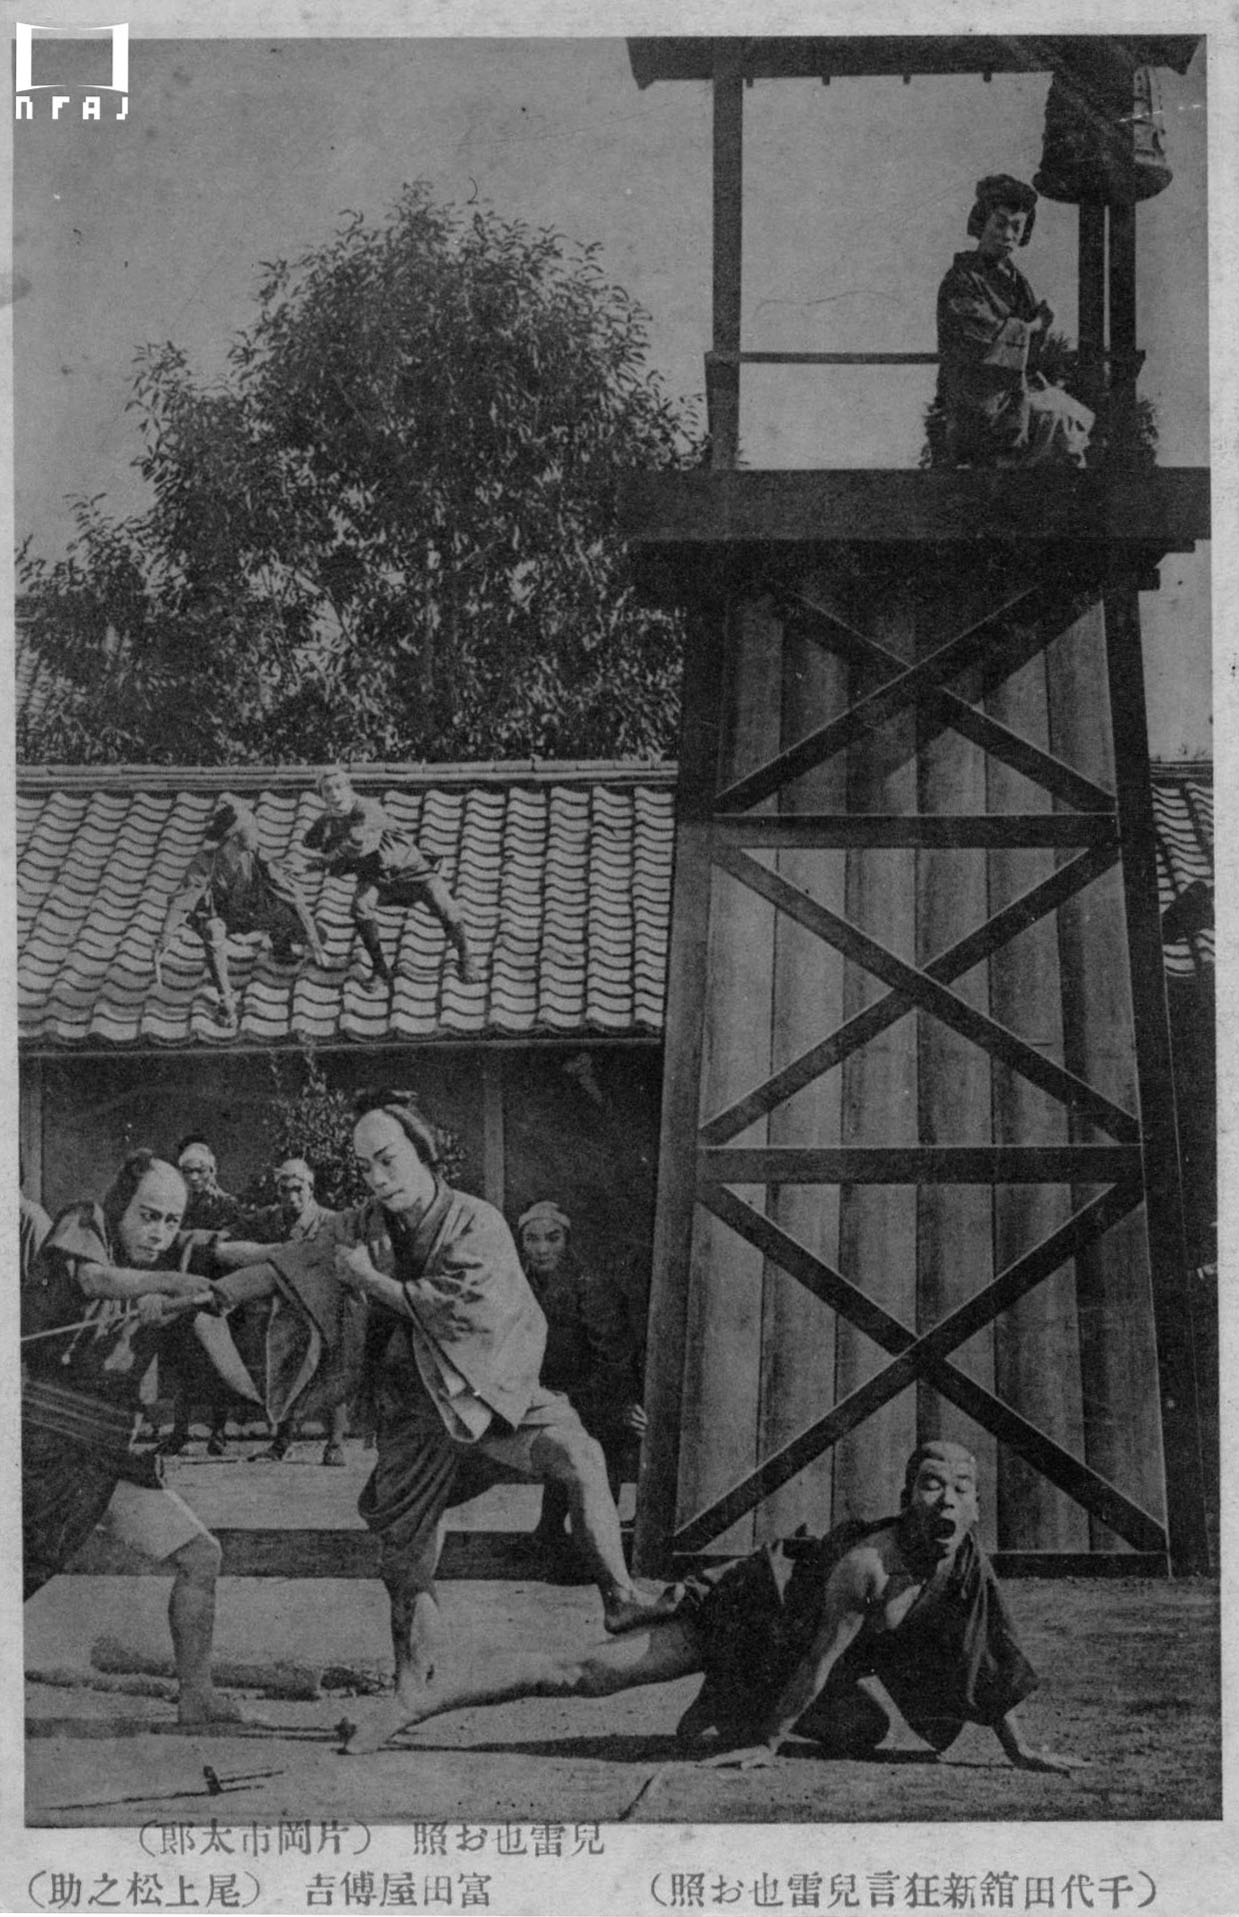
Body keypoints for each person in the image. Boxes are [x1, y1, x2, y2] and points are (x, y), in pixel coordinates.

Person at [210, 1090, 673, 1756]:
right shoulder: (362, 1224)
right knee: (405, 1564)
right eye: (365, 1166)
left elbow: (458, 1308)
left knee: (579, 1454)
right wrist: (215, 1293)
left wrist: (370, 1281)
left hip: (491, 1391)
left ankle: (620, 1595)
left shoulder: (478, 1221)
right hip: (413, 1408)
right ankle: (408, 1692)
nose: (377, 1177)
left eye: (388, 1159)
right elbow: (294, 1262)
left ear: (425, 1154)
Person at [340, 1439, 1082, 1772]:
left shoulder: (964, 1563)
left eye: (959, 1488)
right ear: (905, 1496)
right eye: (930, 1484)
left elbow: (983, 1653)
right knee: (582, 1674)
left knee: (863, 1729)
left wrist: (1018, 1748)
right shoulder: (867, 1566)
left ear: (975, 1507)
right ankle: (411, 1705)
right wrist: (769, 1744)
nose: (944, 1499)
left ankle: (731, 1703)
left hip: (791, 1660)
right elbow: (818, 1662)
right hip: (746, 1620)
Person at [21, 1151, 249, 1726]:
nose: (158, 1232)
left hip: (107, 1458)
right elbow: (95, 1279)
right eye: (148, 1216)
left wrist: (268, 1399)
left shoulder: (170, 1264)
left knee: (200, 1556)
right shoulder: (85, 1222)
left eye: (171, 1221)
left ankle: (197, 1697)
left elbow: (229, 1274)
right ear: (122, 1205)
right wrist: (170, 1283)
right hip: (41, 1451)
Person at [516, 1200, 646, 1573]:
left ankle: (595, 1550)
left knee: (594, 1441)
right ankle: (549, 1531)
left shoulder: (590, 1284)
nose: (542, 1249)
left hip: (603, 1386)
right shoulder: (519, 1280)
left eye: (552, 1238)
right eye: (532, 1239)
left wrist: (584, 1399)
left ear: (567, 1240)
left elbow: (614, 1355)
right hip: (550, 1387)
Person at [935, 174, 1094, 469]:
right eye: (999, 224)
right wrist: (1034, 326)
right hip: (979, 400)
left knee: (1074, 415)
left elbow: (1027, 354)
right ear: (981, 223)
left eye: (1017, 227)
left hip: (1015, 392)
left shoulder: (1017, 282)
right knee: (1058, 422)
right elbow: (981, 340)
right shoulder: (961, 279)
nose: (1008, 235)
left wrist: (1039, 328)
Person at [154, 792, 328, 1030]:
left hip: (248, 913)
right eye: (251, 829)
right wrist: (164, 937)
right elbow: (180, 901)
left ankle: (282, 946)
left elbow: (291, 893)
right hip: (219, 917)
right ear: (235, 837)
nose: (256, 833)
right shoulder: (205, 862)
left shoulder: (255, 855)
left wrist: (314, 940)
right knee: (213, 930)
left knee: (295, 917)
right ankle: (226, 1000)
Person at [298, 768, 480, 991]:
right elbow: (307, 842)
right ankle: (380, 970)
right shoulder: (330, 818)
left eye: (339, 787)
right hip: (376, 876)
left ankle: (466, 957)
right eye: (327, 790)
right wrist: (320, 833)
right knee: (360, 906)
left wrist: (318, 862)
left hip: (412, 870)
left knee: (446, 907)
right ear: (322, 795)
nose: (334, 794)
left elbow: (356, 844)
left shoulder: (366, 809)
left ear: (349, 788)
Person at [223, 1157, 348, 1466]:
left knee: (332, 1371)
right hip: (289, 1307)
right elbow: (233, 1233)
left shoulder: (331, 1221)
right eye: (284, 1190)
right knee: (287, 1369)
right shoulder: (272, 1219)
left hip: (327, 1307)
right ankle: (281, 1443)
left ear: (311, 1188)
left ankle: (335, 1444)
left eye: (298, 1189)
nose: (291, 1197)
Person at [154, 1136, 246, 1458]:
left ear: (212, 1171)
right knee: (183, 1368)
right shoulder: (176, 1205)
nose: (194, 1178)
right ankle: (179, 1432)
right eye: (187, 1172)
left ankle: (218, 1432)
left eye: (200, 1171)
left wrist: (199, 1242)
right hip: (183, 1295)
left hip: (216, 1294)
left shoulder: (228, 1205)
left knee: (216, 1363)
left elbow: (231, 1246)